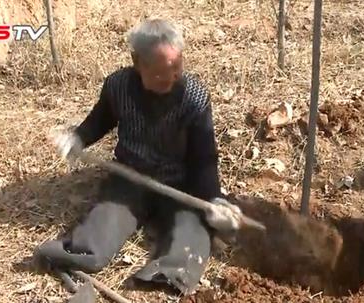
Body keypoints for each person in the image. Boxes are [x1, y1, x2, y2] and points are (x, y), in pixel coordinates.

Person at [46, 18, 243, 295]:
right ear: (138, 63)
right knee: (101, 230)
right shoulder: (118, 86)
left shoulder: (194, 97)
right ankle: (71, 254)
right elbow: (100, 120)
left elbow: (204, 158)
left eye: (177, 67)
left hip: (178, 184)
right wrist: (77, 138)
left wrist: (213, 200)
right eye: (162, 72)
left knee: (190, 235)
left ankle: (167, 273)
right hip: (131, 176)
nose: (173, 77)